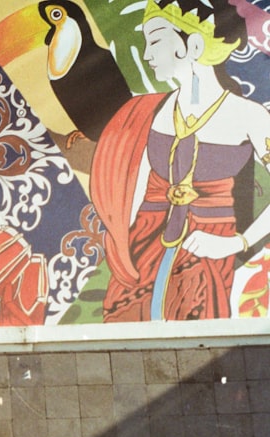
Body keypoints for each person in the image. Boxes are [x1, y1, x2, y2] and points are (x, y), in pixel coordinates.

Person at [94, 0, 270, 321]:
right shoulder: (148, 112)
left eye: (157, 41)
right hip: (140, 255)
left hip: (208, 254)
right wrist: (120, 249)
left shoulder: (249, 116)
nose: (147, 55)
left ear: (194, 43)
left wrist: (234, 244)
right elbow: (127, 193)